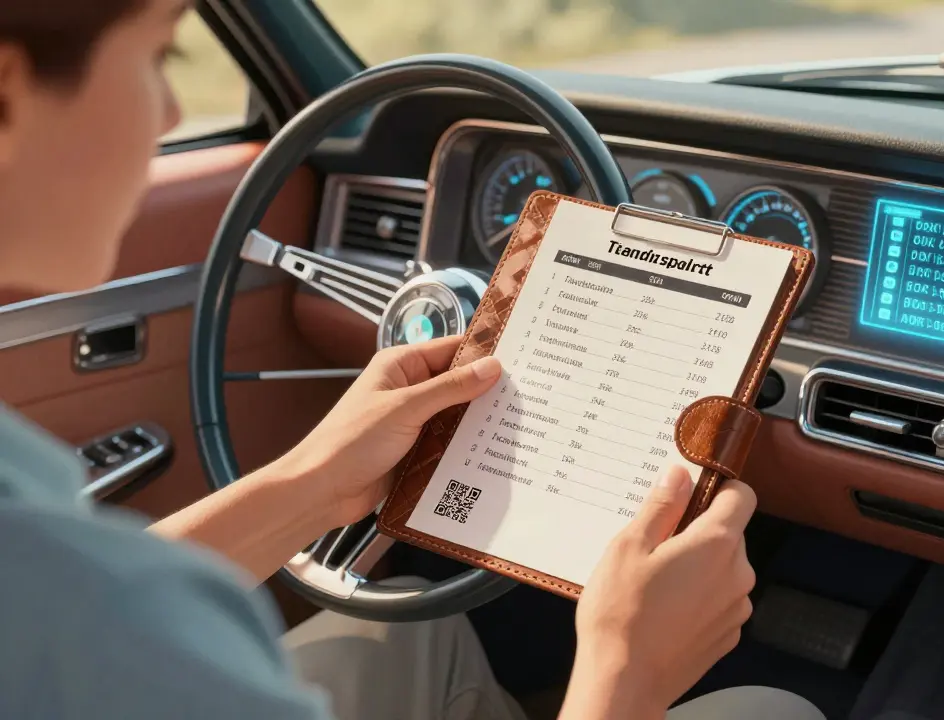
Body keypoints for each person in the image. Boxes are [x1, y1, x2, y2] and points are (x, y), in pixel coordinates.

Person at [0, 2, 826, 719]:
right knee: (771, 708)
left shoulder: (57, 573)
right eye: (161, 55)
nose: (172, 113)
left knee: (402, 634)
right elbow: (88, 607)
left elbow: (62, 599)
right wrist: (625, 671)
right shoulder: (95, 614)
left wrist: (317, 484)